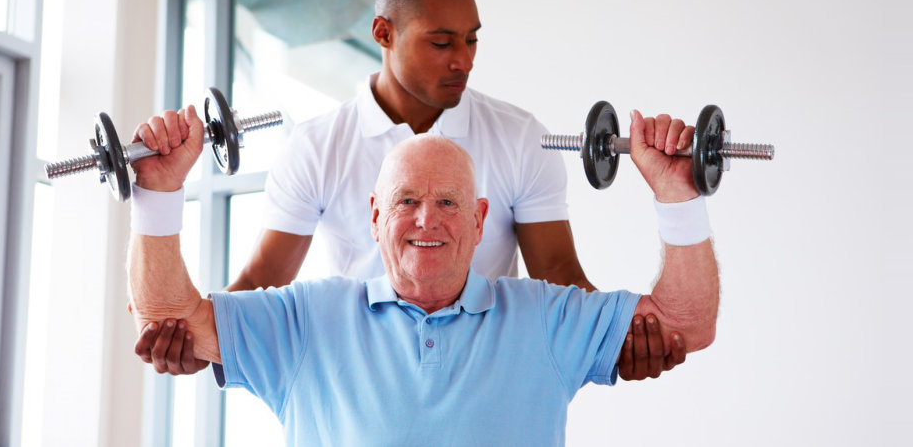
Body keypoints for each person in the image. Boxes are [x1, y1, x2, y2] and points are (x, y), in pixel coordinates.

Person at [135, 0, 693, 381]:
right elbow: (259, 285)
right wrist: (202, 343)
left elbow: (562, 283)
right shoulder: (317, 146)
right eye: (442, 42)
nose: (464, 60)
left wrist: (623, 344)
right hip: (359, 381)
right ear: (383, 33)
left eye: (472, 40)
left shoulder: (520, 137)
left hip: (485, 378)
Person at [124, 102, 721, 445]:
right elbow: (170, 317)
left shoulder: (542, 316)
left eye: (450, 202)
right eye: (406, 201)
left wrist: (678, 195)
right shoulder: (307, 318)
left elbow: (685, 324)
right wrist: (158, 192)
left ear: (482, 217)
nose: (426, 220)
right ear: (376, 216)